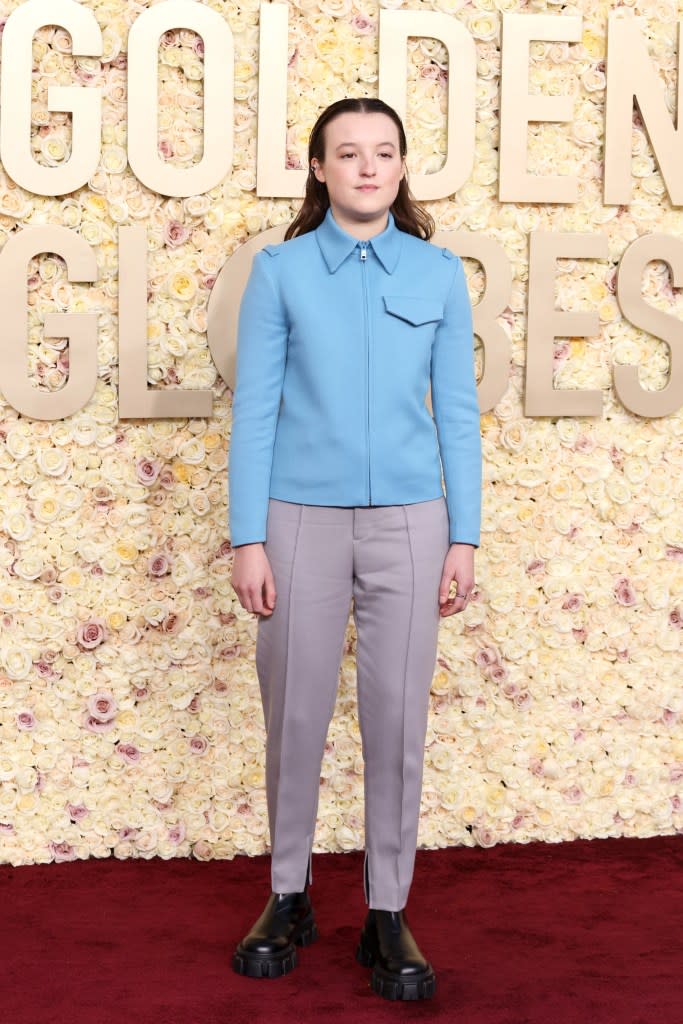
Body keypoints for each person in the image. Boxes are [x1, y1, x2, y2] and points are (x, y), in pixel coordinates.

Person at [228, 97, 481, 1001]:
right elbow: (254, 407)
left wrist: (464, 533)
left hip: (412, 523)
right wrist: (247, 536)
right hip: (297, 518)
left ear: (401, 169)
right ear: (319, 169)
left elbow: (456, 410)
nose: (367, 167)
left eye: (382, 153)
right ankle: (287, 893)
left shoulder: (439, 274)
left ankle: (387, 910)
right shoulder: (281, 272)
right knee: (295, 711)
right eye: (348, 153)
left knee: (396, 720)